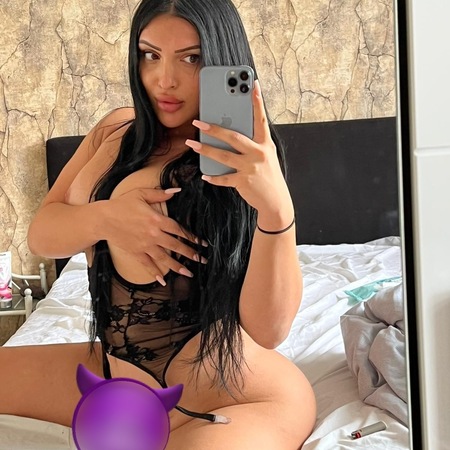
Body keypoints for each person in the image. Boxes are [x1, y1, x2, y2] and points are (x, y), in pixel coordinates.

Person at [0, 0, 316, 448]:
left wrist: (277, 210)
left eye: (191, 58)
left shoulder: (243, 160)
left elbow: (268, 331)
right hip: (116, 374)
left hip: (234, 398)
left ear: (221, 61)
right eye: (150, 54)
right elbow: (44, 236)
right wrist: (109, 218)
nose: (164, 79)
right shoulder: (114, 132)